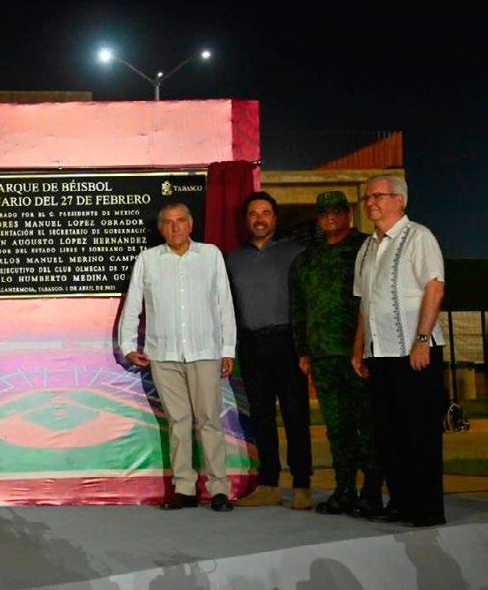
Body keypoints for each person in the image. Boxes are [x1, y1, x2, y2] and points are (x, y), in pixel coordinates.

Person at [119, 202, 237, 512]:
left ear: (191, 224)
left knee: (209, 420)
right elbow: (134, 303)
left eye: (181, 220)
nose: (175, 227)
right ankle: (184, 488)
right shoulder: (148, 260)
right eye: (168, 222)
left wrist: (227, 348)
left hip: (204, 351)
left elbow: (224, 302)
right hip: (164, 353)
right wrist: (127, 343)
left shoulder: (210, 255)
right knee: (178, 421)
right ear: (160, 228)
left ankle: (219, 488)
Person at [352, 175, 446, 527]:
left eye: (378, 196)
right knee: (388, 434)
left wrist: (422, 340)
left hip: (413, 352)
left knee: (419, 431)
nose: (371, 202)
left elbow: (434, 288)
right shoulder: (368, 247)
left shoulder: (418, 237)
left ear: (399, 200)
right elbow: (365, 304)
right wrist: (359, 349)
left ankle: (427, 509)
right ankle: (402, 503)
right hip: (379, 354)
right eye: (367, 197)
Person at [290, 191, 382, 517]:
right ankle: (344, 489)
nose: (330, 217)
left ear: (348, 214)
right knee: (337, 426)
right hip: (323, 355)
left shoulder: (366, 249)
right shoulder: (306, 259)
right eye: (324, 213)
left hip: (358, 353)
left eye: (336, 211)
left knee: (367, 424)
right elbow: (299, 309)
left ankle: (372, 490)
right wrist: (304, 351)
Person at [226, 191, 313, 510]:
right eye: (253, 214)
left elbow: (307, 303)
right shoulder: (233, 259)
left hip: (287, 342)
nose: (259, 219)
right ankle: (268, 484)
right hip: (251, 343)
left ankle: (301, 484)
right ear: (246, 220)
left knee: (295, 414)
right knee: (261, 416)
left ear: (275, 218)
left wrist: (306, 347)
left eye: (265, 213)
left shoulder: (296, 253)